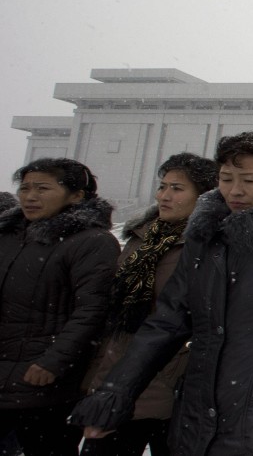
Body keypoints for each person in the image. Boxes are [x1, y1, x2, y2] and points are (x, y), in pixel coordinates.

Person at [70, 132, 253, 455]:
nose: (235, 190)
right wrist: (116, 393)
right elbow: (166, 323)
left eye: (249, 180)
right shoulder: (204, 239)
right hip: (197, 411)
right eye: (226, 179)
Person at [81, 153, 218, 456]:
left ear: (206, 196)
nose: (164, 196)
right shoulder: (142, 238)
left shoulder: (211, 246)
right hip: (118, 375)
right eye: (162, 186)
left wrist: (174, 368)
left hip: (171, 384)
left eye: (177, 189)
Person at [0, 159, 119, 456]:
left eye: (42, 188)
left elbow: (93, 310)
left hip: (43, 383)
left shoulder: (91, 242)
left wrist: (53, 361)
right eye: (25, 188)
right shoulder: (8, 237)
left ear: (77, 195)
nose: (30, 196)